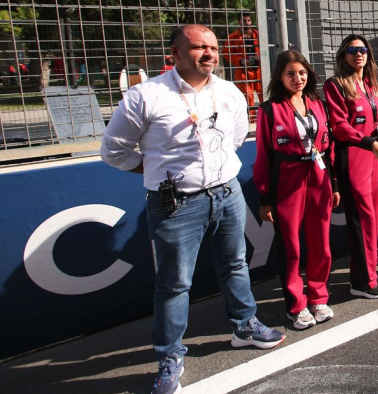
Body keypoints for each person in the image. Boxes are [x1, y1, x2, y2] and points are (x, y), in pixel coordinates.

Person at [101, 24, 284, 394]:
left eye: (213, 47)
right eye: (199, 47)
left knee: (235, 264)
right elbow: (114, 152)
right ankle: (170, 358)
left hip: (227, 193)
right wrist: (155, 169)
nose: (209, 54)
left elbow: (234, 139)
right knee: (174, 285)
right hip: (176, 204)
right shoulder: (145, 96)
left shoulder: (230, 92)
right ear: (175, 54)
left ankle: (244, 325)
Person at [254, 50, 339, 330]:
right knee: (291, 247)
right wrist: (265, 198)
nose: (298, 78)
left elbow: (330, 147)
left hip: (319, 177)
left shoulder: (317, 103)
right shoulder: (269, 109)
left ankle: (317, 296)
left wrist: (334, 184)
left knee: (321, 244)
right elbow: (263, 157)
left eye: (302, 73)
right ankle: (296, 305)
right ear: (280, 76)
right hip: (287, 180)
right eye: (291, 73)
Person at [324, 35, 378, 299]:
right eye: (352, 50)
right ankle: (361, 282)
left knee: (373, 220)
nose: (358, 54)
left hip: (374, 159)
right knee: (362, 220)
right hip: (353, 158)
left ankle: (369, 273)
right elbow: (340, 127)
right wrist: (371, 144)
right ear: (343, 55)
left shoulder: (371, 84)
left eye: (363, 50)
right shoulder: (336, 85)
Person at [224, 14, 262, 120]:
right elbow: (227, 54)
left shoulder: (259, 35)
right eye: (245, 21)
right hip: (243, 70)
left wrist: (261, 57)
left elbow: (267, 50)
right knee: (247, 96)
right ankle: (252, 121)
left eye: (249, 20)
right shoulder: (232, 37)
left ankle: (266, 118)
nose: (247, 23)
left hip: (259, 69)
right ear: (239, 22)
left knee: (264, 95)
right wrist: (241, 60)